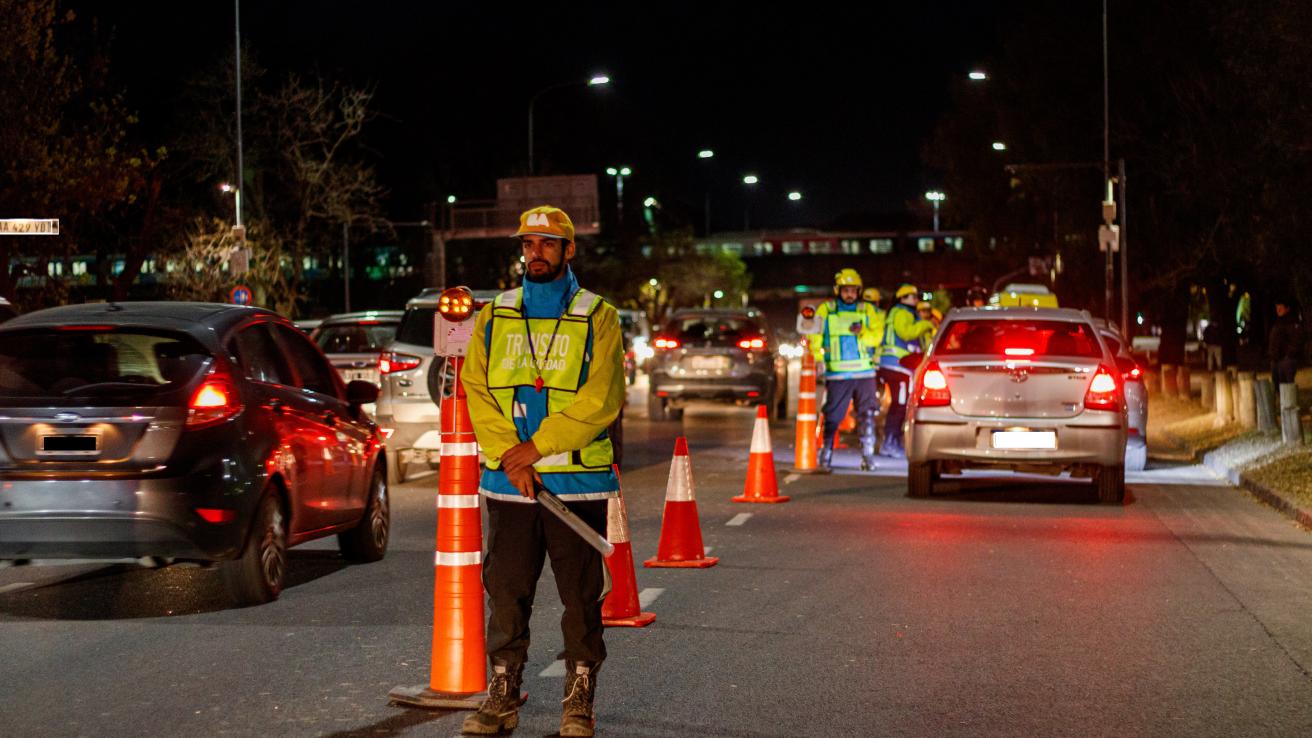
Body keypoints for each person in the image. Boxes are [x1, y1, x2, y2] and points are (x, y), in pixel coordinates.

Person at [461, 205, 625, 737]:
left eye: (548, 244)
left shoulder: (598, 315)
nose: (536, 252)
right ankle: (503, 692)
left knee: (579, 598)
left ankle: (579, 697)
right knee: (506, 592)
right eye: (529, 243)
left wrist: (535, 448)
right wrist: (511, 454)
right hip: (509, 485)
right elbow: (477, 392)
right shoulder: (495, 314)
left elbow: (602, 399)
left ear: (569, 250)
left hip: (576, 487)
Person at [807, 268, 883, 470]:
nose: (850, 294)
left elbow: (877, 337)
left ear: (859, 291)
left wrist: (863, 332)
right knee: (833, 416)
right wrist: (818, 358)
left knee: (867, 414)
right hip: (837, 373)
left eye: (853, 290)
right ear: (838, 290)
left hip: (865, 373)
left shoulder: (867, 310)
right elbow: (814, 336)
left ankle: (868, 456)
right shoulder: (827, 309)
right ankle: (827, 452)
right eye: (845, 290)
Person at [878, 284, 938, 457]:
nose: (915, 299)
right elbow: (906, 333)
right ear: (902, 298)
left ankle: (892, 441)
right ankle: (890, 442)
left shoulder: (904, 313)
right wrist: (925, 325)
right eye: (912, 296)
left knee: (900, 405)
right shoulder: (902, 313)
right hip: (897, 365)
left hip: (900, 366)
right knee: (899, 405)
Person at [1269, 299, 1302, 386]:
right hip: (1276, 360)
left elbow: (1296, 341)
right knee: (1277, 386)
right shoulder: (1277, 323)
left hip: (1286, 360)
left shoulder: (1292, 322)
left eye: (1280, 308)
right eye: (1277, 308)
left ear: (1287, 309)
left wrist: (1288, 356)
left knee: (1287, 386)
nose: (1278, 310)